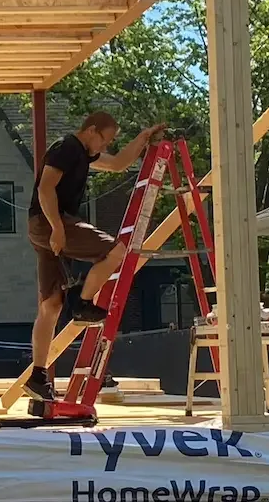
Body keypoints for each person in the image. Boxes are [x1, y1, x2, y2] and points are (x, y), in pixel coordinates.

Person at [22, 111, 166, 402]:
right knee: (115, 251)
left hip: (42, 228)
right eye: (105, 139)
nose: (105, 146)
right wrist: (58, 228)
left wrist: (143, 138)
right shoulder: (67, 148)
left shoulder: (83, 154)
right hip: (49, 222)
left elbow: (116, 164)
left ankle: (38, 376)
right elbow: (45, 187)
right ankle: (83, 302)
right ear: (90, 130)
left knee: (50, 305)